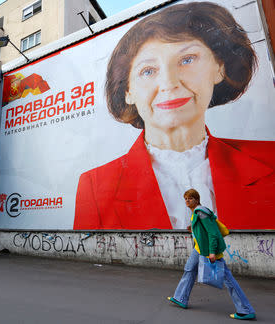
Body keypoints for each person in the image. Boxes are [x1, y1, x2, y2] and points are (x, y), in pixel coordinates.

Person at [74, 1, 275, 230]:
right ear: (128, 91)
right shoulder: (95, 186)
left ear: (219, 68)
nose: (169, 84)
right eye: (148, 71)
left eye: (187, 59)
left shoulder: (270, 158)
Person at [168, 189, 256, 320]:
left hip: (208, 250)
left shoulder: (201, 212)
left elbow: (213, 233)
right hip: (199, 249)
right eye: (186, 198)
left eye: (190, 198)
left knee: (228, 279)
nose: (187, 200)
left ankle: (245, 309)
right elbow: (202, 230)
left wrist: (212, 252)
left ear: (196, 200)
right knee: (189, 269)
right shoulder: (195, 213)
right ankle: (181, 298)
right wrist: (193, 228)